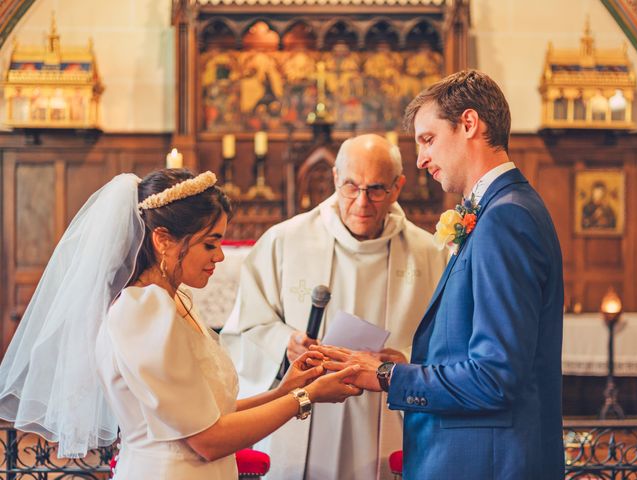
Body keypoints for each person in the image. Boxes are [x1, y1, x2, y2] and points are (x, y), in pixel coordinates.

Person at [0, 168, 362, 479]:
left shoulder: (170, 301)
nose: (220, 255)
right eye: (209, 244)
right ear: (163, 240)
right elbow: (207, 440)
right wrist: (306, 397)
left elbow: (203, 414)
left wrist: (284, 391)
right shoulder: (143, 312)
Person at [316, 70, 565, 479]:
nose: (420, 160)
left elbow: (495, 377)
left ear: (469, 124)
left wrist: (384, 376)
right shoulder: (501, 210)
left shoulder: (505, 218)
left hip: (487, 463)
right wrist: (409, 364)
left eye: (428, 139)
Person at [221, 134, 448, 480]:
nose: (361, 202)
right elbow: (246, 327)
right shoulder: (284, 241)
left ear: (398, 187)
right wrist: (286, 342)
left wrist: (405, 360)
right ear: (334, 180)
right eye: (350, 187)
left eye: (376, 189)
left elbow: (449, 339)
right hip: (304, 409)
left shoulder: (429, 253)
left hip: (386, 410)